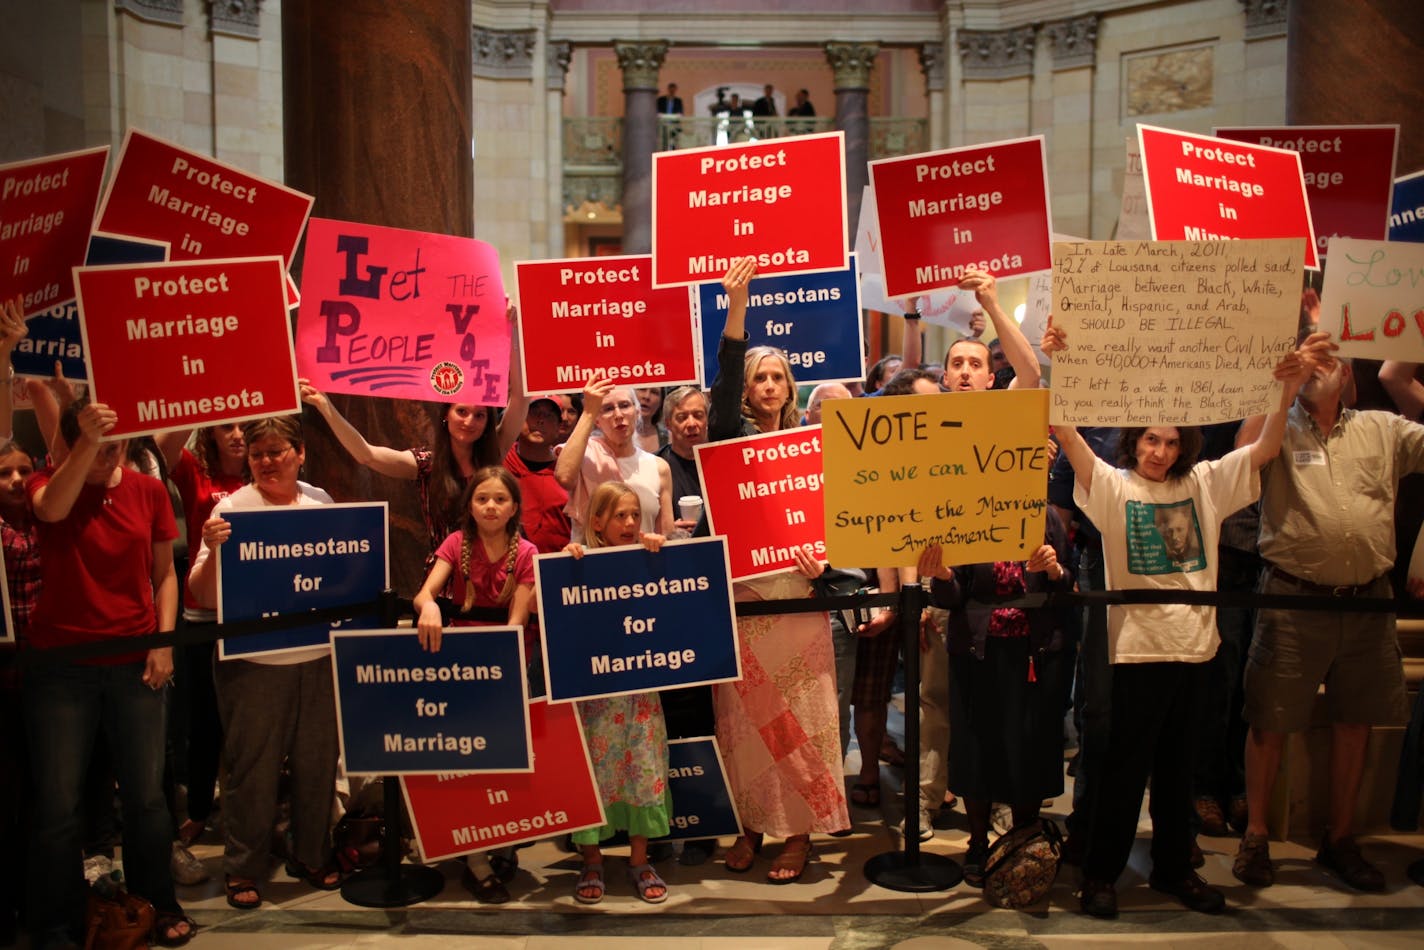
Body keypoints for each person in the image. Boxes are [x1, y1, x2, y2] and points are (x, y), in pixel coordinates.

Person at [1042, 317, 1317, 919]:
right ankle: (1102, 876)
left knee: (1178, 771)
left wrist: (1286, 391)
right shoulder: (1112, 488)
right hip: (1138, 650)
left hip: (1197, 647)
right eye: (1148, 441)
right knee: (1122, 767)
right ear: (1133, 442)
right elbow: (1064, 432)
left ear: (1184, 444)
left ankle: (1172, 869)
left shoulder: (1209, 483)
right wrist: (1056, 362)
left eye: (1169, 442)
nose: (1159, 451)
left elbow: (1267, 448)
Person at [1235, 335, 1424, 893]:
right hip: (1293, 598)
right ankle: (1257, 835)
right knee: (1269, 719)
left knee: (1355, 721)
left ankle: (1340, 838)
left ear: (1348, 377)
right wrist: (1282, 388)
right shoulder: (1277, 427)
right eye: (1311, 357)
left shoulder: (1382, 429)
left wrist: (1405, 361)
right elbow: (1244, 459)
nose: (1323, 366)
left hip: (1367, 602)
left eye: (1332, 359)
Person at [24, 399, 192, 948]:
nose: (112, 453)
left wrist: (162, 644)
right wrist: (85, 447)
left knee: (146, 798)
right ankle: (58, 924)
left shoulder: (147, 492)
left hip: (134, 660)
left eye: (118, 442)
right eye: (98, 442)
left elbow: (165, 574)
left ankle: (158, 904)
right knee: (58, 807)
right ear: (71, 444)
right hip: (61, 666)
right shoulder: (51, 481)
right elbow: (51, 510)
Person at [709, 257, 849, 882]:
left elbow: (840, 522)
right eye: (757, 378)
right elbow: (717, 394)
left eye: (777, 377)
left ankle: (798, 836)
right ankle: (750, 828)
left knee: (806, 722)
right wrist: (737, 309)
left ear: (791, 388)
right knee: (744, 726)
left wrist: (825, 562)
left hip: (800, 598)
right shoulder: (730, 438)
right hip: (744, 600)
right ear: (746, 389)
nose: (767, 386)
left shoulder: (817, 447)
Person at [187, 416, 342, 911]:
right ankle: (244, 867)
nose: (267, 462)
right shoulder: (231, 509)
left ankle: (311, 853)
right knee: (251, 769)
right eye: (258, 455)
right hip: (253, 663)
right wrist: (213, 552)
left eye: (277, 451)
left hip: (318, 656)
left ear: (300, 453)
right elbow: (203, 596)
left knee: (318, 763)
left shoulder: (320, 502)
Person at [916, 503, 1074, 887]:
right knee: (976, 746)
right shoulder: (964, 513)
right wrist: (942, 574)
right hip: (978, 651)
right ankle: (977, 843)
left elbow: (1067, 582)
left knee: (1030, 746)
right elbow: (952, 596)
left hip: (1034, 651)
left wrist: (1053, 569)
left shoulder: (1046, 516)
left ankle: (1024, 838)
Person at [412, 466, 536, 902]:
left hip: (502, 667)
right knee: (464, 762)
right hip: (458, 670)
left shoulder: (526, 552)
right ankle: (475, 859)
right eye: (482, 498)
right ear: (470, 505)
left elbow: (516, 622)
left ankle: (496, 841)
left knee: (501, 762)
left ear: (514, 507)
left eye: (500, 499)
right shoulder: (455, 543)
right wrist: (428, 606)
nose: (490, 506)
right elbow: (424, 594)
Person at [561, 481, 673, 904]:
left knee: (644, 770)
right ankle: (591, 860)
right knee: (594, 774)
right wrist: (566, 566)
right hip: (594, 698)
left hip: (641, 694)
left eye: (634, 515)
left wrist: (665, 557)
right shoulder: (580, 563)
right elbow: (537, 605)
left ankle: (639, 861)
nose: (629, 523)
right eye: (619, 516)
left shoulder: (650, 558)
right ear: (597, 522)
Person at [154, 423, 248, 861]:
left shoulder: (263, 472)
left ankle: (245, 811)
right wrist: (195, 401)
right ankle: (196, 808)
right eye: (226, 427)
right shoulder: (195, 471)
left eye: (244, 427)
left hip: (251, 616)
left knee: (245, 723)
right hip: (200, 612)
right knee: (202, 719)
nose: (236, 435)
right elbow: (163, 452)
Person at [555, 375, 673, 544]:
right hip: (593, 564)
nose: (618, 414)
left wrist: (659, 540)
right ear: (597, 420)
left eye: (625, 406)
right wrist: (589, 411)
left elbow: (667, 536)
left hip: (644, 565)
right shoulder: (584, 454)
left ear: (637, 411)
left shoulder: (659, 467)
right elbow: (564, 476)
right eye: (608, 409)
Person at [501, 397, 570, 554]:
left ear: (560, 426)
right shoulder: (500, 456)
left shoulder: (568, 471)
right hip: (508, 570)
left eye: (549, 415)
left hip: (557, 567)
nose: (540, 420)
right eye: (534, 412)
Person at [655, 386, 707, 533]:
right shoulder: (654, 465)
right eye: (682, 417)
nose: (691, 424)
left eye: (698, 415)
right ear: (668, 424)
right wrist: (668, 530)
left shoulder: (722, 461)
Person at [634, 386, 668, 454]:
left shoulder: (669, 438)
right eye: (642, 389)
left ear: (661, 402)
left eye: (654, 392)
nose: (647, 396)